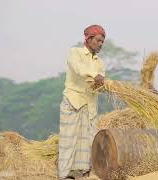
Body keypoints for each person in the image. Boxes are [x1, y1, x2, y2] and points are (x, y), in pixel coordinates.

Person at [58, 24, 106, 179]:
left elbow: (99, 84)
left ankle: (83, 173)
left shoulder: (99, 62)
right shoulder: (75, 53)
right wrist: (95, 76)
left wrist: (104, 86)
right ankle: (64, 175)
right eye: (98, 40)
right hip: (73, 102)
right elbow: (78, 69)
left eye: (102, 42)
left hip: (90, 106)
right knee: (69, 139)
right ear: (89, 38)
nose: (100, 44)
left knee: (89, 141)